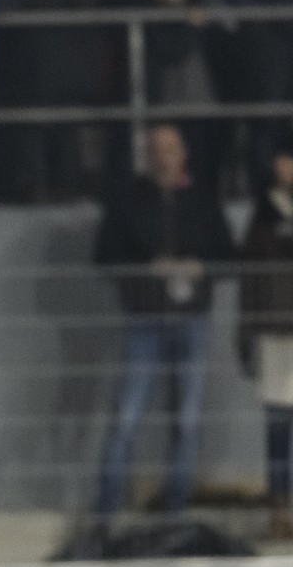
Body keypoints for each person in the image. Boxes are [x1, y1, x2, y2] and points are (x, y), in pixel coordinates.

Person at [94, 123, 233, 519]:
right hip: (145, 319)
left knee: (187, 420)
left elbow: (229, 257)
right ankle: (105, 510)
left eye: (170, 148)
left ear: (184, 153)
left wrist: (200, 268)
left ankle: (174, 510)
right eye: (155, 149)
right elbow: (104, 257)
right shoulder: (126, 200)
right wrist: (146, 269)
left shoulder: (204, 201)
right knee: (127, 416)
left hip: (192, 319)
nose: (163, 156)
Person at [237, 144, 293, 539]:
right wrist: (245, 334)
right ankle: (281, 506)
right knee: (277, 425)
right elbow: (249, 282)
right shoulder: (262, 218)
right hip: (273, 335)